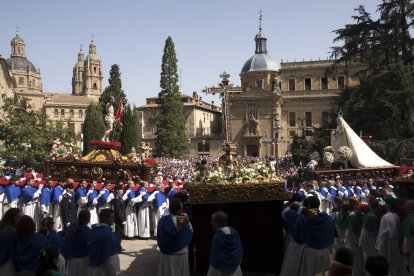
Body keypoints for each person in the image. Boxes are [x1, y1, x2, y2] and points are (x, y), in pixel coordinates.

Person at [294, 196, 335, 276]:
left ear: (308, 206)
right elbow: (332, 236)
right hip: (324, 252)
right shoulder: (328, 219)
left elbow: (297, 234)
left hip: (309, 253)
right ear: (319, 204)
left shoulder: (302, 218)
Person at [157, 198, 193, 276]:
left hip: (165, 253)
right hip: (180, 253)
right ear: (178, 211)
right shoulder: (181, 219)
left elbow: (159, 235)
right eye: (181, 208)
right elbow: (188, 233)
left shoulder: (162, 220)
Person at [207, 211, 243, 276]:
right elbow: (239, 250)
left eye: (212, 221)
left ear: (217, 222)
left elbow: (215, 258)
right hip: (235, 268)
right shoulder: (234, 232)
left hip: (220, 271)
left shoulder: (217, 238)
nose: (211, 223)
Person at [87, 209, 121, 276]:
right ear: (105, 219)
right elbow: (112, 259)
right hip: (103, 270)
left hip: (93, 269)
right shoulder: (108, 235)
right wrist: (116, 273)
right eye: (111, 217)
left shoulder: (92, 231)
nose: (113, 219)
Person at [375, 197, 402, 276]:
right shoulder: (396, 216)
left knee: (388, 263)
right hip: (394, 242)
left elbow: (382, 233)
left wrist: (379, 247)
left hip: (387, 243)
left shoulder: (385, 217)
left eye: (386, 203)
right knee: (394, 262)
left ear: (388, 205)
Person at [64, 210, 91, 276]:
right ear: (88, 220)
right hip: (83, 260)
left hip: (71, 259)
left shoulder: (70, 230)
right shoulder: (88, 233)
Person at [344, 198, 364, 276]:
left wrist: (346, 241)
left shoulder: (352, 215)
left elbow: (349, 230)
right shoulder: (357, 213)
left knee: (355, 260)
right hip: (357, 239)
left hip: (353, 239)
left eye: (348, 202)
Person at [0, 208, 22, 275]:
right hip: (6, 264)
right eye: (20, 217)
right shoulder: (12, 232)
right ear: (14, 218)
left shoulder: (3, 229)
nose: (21, 220)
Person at [359, 197, 380, 263]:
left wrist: (360, 244)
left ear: (370, 205)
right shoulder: (375, 214)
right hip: (374, 240)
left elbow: (364, 231)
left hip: (369, 241)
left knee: (368, 261)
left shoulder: (369, 216)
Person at [401, 200, 414, 275]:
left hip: (410, 248)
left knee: (408, 267)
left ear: (409, 207)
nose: (404, 207)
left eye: (405, 206)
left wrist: (405, 251)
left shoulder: (409, 219)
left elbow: (408, 237)